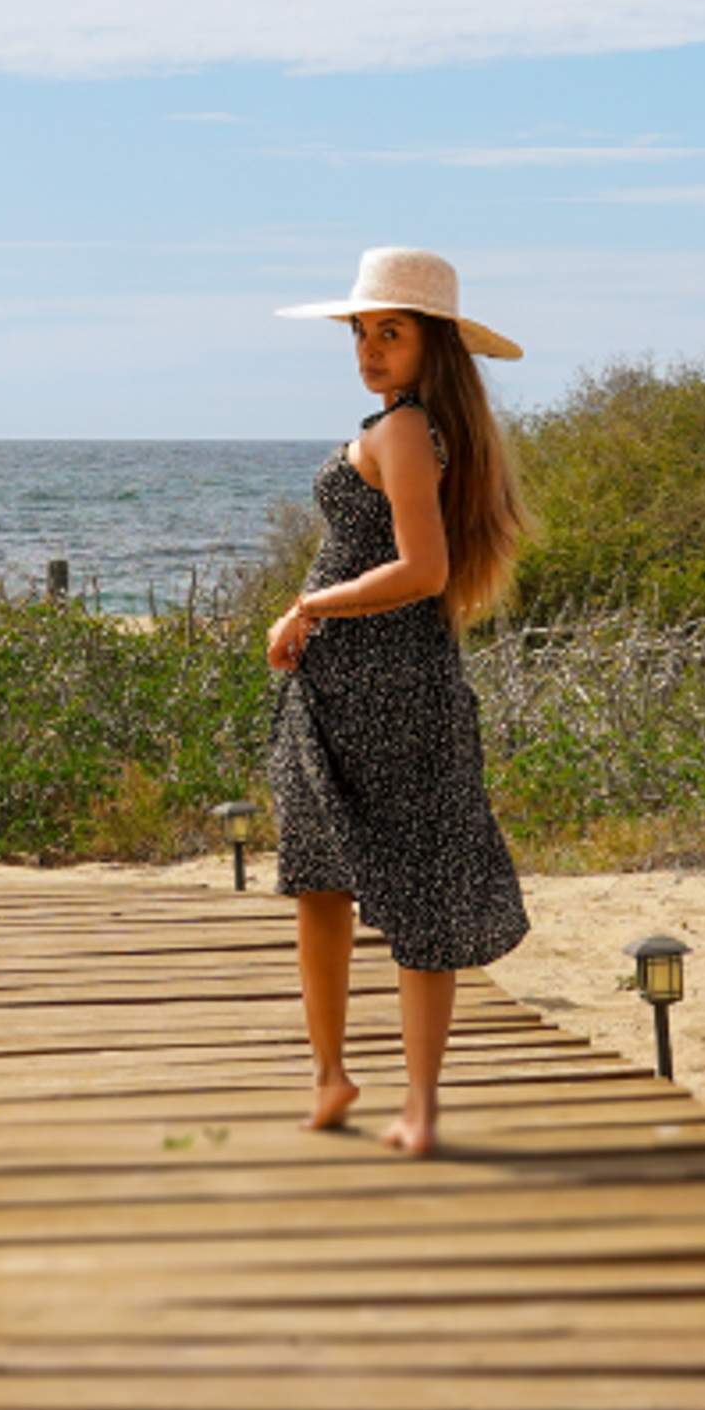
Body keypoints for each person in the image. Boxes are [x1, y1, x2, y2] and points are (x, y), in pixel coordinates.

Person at [264, 246, 533, 1157]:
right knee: (318, 882)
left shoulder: (409, 431)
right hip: (340, 687)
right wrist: (314, 617)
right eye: (361, 332)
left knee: (417, 894)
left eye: (392, 333)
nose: (371, 349)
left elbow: (424, 570)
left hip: (392, 691)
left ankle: (417, 1106)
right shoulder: (398, 426)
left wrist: (308, 603)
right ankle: (331, 1075)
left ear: (434, 347)